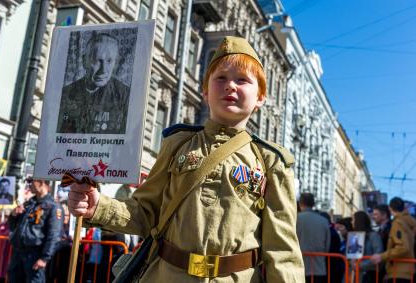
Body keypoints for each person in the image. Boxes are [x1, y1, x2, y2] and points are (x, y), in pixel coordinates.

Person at [68, 36, 305, 282]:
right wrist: (99, 207)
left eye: (242, 80)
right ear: (205, 92)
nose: (230, 86)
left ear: (260, 97)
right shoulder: (177, 144)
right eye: (220, 78)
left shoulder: (270, 161)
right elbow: (145, 212)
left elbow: (282, 250)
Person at [57, 33, 130, 134]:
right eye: (97, 61)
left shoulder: (125, 96)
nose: (103, 70)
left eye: (109, 61)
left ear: (115, 63)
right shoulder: (65, 94)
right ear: (84, 61)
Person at [8, 178, 62, 283]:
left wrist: (44, 258)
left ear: (41, 182)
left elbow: (54, 235)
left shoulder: (53, 207)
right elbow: (13, 226)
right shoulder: (29, 204)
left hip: (35, 255)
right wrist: (14, 215)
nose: (29, 185)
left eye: (31, 182)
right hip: (18, 253)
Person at [371, 197, 416, 283]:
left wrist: (381, 256)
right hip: (407, 270)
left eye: (376, 214)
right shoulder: (409, 222)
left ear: (390, 208)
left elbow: (403, 247)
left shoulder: (397, 223)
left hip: (398, 271)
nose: (374, 216)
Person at [297, 192, 331, 283]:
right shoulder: (323, 221)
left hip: (299, 267)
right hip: (319, 268)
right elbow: (327, 245)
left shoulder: (295, 219)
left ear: (300, 203)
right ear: (313, 204)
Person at [351, 211, 383, 283]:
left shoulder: (374, 236)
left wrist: (359, 265)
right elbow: (352, 256)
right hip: (358, 274)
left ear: (359, 221)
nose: (351, 222)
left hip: (370, 274)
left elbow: (378, 255)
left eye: (353, 219)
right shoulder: (355, 236)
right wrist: (353, 262)